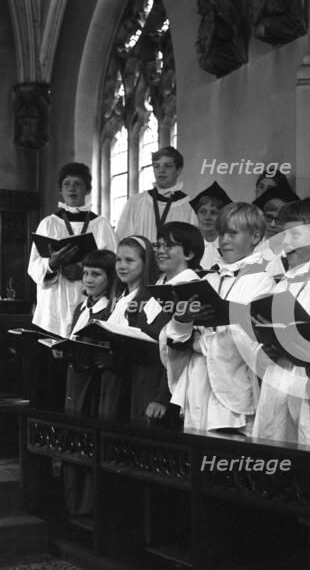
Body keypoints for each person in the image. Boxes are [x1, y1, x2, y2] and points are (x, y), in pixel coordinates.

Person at [164, 203, 274, 432]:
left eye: (233, 233)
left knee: (226, 453)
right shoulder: (210, 280)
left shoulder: (262, 280)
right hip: (198, 380)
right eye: (222, 233)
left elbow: (255, 336)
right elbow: (175, 338)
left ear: (255, 237)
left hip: (233, 384)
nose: (224, 240)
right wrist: (183, 320)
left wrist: (204, 338)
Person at [252, 199, 310, 444]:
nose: (284, 242)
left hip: (306, 384)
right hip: (278, 377)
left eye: (294, 234)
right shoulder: (286, 279)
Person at [28, 162, 118, 336]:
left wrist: (83, 272)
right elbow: (33, 266)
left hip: (89, 302)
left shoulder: (101, 225)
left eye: (78, 184)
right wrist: (52, 265)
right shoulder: (48, 223)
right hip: (53, 305)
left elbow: (114, 264)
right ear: (60, 190)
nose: (72, 189)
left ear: (87, 189)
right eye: (67, 184)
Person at [62, 249, 117, 518]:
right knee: (72, 440)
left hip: (93, 383)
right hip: (74, 379)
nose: (88, 279)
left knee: (88, 442)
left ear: (110, 277)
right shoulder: (82, 307)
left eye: (96, 274)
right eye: (85, 273)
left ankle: (88, 506)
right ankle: (73, 504)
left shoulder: (110, 309)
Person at [97, 236, 172, 423]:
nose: (122, 266)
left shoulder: (152, 299)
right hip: (116, 382)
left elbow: (165, 351)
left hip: (142, 383)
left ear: (146, 263)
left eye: (129, 260)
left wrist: (161, 397)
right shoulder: (118, 298)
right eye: (118, 260)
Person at [115, 146, 198, 242]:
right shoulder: (135, 202)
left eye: (167, 166)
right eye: (156, 166)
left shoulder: (190, 206)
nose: (161, 170)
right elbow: (122, 241)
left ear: (178, 170)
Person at [190, 181, 232, 270]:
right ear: (197, 215)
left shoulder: (230, 246)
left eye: (214, 212)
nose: (207, 217)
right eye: (203, 212)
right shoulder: (189, 246)